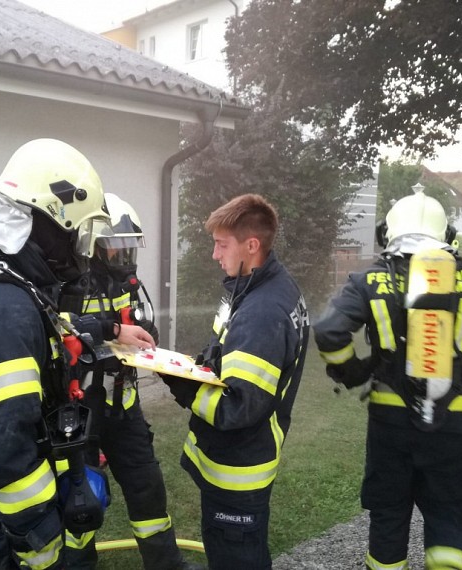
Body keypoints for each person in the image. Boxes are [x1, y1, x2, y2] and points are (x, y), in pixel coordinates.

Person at [0, 138, 155, 570]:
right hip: (6, 519)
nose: (83, 252)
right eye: (80, 234)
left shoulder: (11, 285)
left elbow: (52, 333)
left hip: (11, 508)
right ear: (55, 223)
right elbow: (4, 448)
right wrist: (41, 545)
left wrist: (110, 329)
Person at [313, 188, 462, 570]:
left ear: (387, 233)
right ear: (447, 235)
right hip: (457, 422)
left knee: (389, 513)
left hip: (390, 420)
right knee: (449, 515)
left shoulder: (369, 281)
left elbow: (329, 330)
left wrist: (351, 370)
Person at [162, 193, 310, 570]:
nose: (215, 255)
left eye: (221, 244)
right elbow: (225, 351)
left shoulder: (262, 312)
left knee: (236, 557)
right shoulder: (257, 288)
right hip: (244, 459)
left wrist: (181, 383)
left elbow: (237, 408)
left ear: (252, 245)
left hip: (238, 472)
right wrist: (197, 365)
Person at [58, 193, 204, 570]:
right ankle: (77, 565)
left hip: (123, 408)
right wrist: (110, 330)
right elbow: (57, 330)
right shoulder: (67, 284)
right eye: (115, 247)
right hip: (79, 413)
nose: (123, 255)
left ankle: (167, 564)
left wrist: (145, 332)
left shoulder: (126, 284)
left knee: (147, 488)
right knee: (80, 498)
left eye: (128, 246)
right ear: (91, 246)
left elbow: (138, 323)